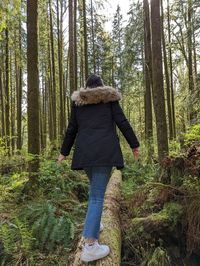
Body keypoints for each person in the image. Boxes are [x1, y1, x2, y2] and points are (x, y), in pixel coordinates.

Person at [58, 74, 140, 262]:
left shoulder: (80, 103)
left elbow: (72, 129)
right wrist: (134, 144)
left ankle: (94, 226)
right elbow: (122, 122)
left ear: (86, 89)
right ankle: (90, 246)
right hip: (104, 154)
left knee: (94, 193)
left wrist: (64, 152)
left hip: (85, 154)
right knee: (96, 197)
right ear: (101, 87)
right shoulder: (109, 100)